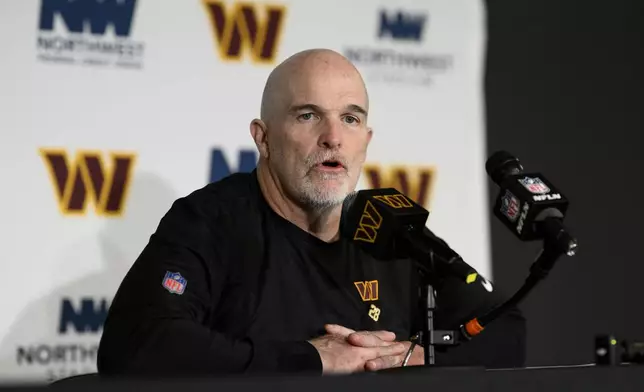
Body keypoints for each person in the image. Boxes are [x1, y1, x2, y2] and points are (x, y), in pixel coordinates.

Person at [97, 49, 526, 376]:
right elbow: (136, 343)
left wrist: (414, 355)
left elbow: (506, 328)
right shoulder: (212, 221)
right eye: (308, 115)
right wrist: (313, 359)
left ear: (367, 139)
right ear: (262, 139)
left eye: (351, 119)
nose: (333, 138)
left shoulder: (391, 229)